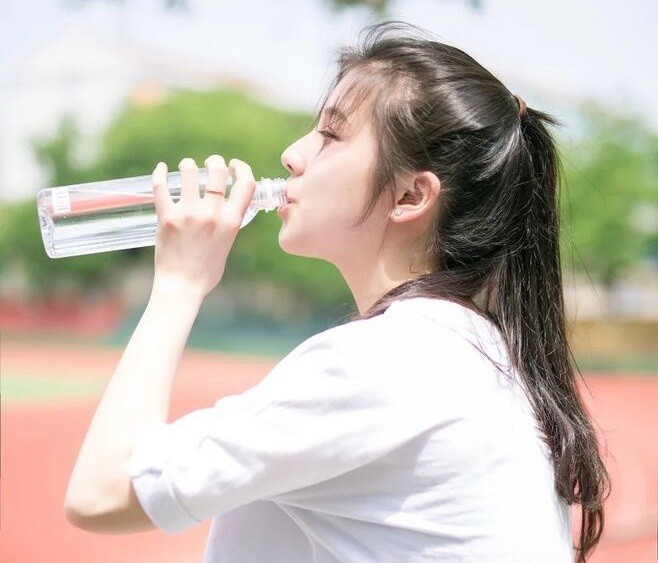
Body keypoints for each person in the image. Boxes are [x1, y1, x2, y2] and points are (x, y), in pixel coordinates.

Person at [64, 20, 610, 563]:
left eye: (330, 135)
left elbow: (101, 492)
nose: (292, 154)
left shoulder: (387, 361)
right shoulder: (472, 349)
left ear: (410, 196)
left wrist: (178, 286)